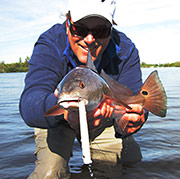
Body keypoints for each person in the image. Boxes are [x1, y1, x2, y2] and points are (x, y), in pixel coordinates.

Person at [19, 0, 148, 178]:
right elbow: (29, 106)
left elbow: (136, 98)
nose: (89, 39)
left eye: (101, 30)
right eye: (79, 29)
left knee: (130, 162)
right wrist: (63, 111)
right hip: (57, 118)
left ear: (111, 29)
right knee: (49, 172)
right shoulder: (49, 43)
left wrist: (131, 120)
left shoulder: (125, 48)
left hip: (105, 117)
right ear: (67, 24)